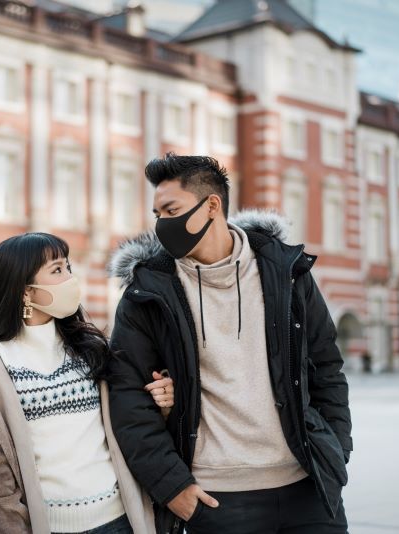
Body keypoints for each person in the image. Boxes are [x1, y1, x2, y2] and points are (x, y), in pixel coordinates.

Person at [107, 154, 352, 533]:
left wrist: (335, 452)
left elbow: (326, 368)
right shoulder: (147, 292)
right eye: (156, 214)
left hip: (308, 490)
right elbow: (127, 396)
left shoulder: (286, 271)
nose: (161, 225)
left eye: (171, 210)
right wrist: (172, 487)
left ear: (212, 206)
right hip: (216, 500)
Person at [0, 233, 173, 533]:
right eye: (57, 270)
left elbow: (127, 423)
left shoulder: (91, 347)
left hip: (119, 521)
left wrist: (161, 404)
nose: (70, 278)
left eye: (68, 267)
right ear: (25, 291)